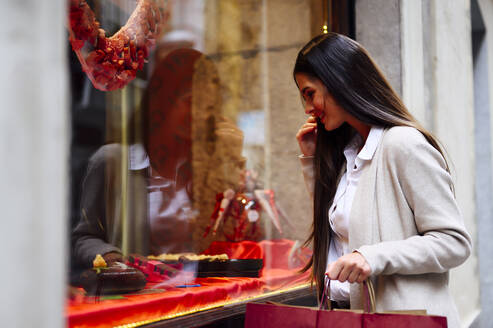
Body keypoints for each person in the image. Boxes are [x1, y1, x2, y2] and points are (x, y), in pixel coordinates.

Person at [294, 32, 471, 327]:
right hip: (352, 317)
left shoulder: (403, 144)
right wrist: (313, 162)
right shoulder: (349, 154)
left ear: (336, 80)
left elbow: (453, 242)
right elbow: (340, 236)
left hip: (404, 319)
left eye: (309, 93)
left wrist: (371, 256)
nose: (307, 108)